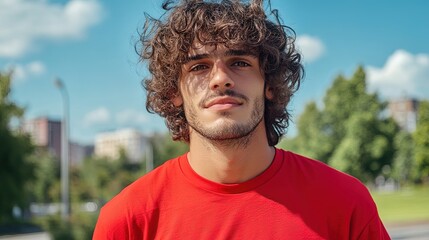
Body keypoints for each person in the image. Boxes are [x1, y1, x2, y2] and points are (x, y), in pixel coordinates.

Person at [93, 0, 391, 239]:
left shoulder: (344, 202)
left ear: (270, 84)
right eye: (198, 67)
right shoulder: (129, 221)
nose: (220, 79)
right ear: (174, 92)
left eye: (239, 62)